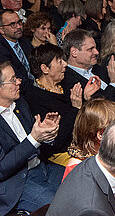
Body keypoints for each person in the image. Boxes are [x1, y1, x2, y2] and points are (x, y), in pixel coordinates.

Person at [0, 61, 64, 215]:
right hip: (16, 184)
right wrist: (34, 138)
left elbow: (36, 142)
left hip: (42, 168)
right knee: (61, 206)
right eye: (13, 79)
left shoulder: (20, 104)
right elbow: (1, 169)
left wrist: (47, 133)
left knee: (81, 180)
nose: (19, 82)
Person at [24, 44, 98, 166]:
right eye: (59, 62)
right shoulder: (34, 98)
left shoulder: (65, 84)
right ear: (45, 68)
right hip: (61, 153)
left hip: (84, 142)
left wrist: (86, 98)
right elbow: (56, 142)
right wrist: (75, 108)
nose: (65, 64)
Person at [61, 29, 115, 110]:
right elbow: (99, 109)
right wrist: (114, 83)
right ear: (74, 52)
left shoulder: (97, 68)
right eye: (90, 49)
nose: (96, 52)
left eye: (95, 48)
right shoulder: (67, 79)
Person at [0, 9, 34, 92]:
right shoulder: (1, 51)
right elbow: (18, 79)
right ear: (2, 30)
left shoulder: (24, 41)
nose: (19, 27)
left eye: (19, 22)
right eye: (13, 24)